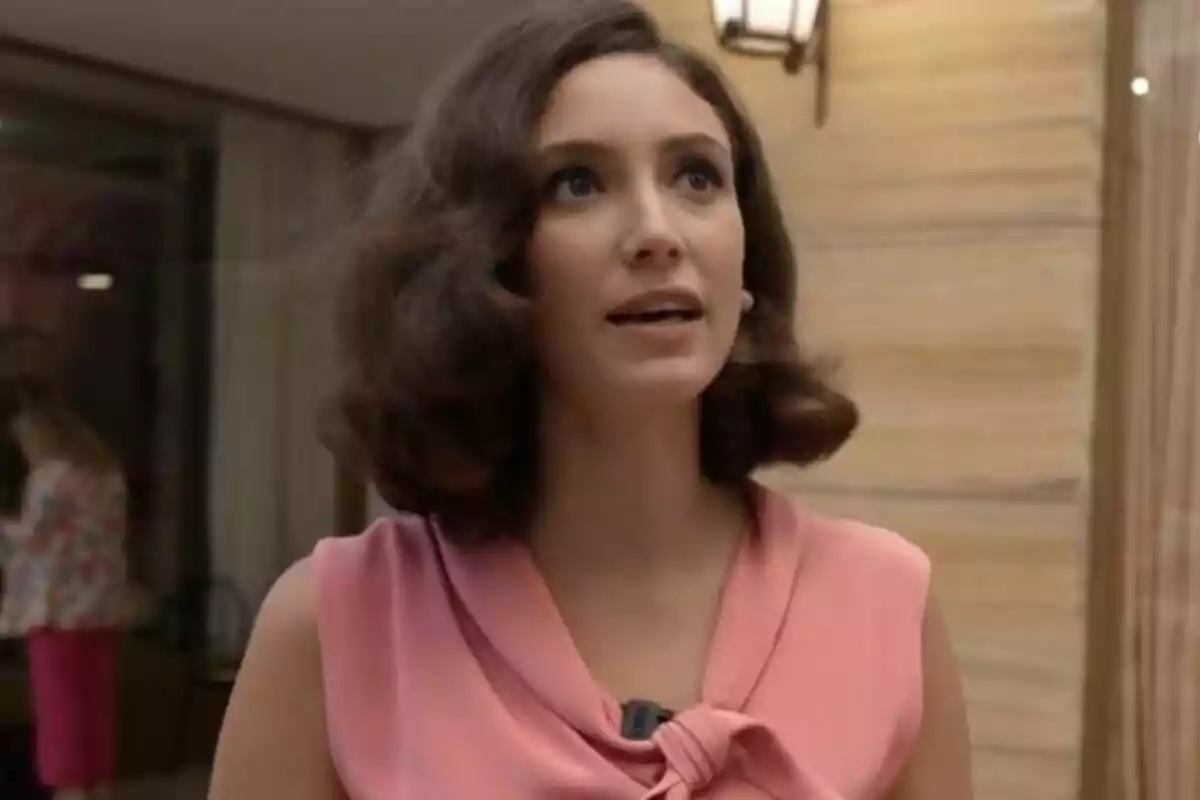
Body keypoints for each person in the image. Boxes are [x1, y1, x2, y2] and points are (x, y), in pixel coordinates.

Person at [209, 1, 973, 797]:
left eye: (696, 176)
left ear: (744, 269)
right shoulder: (334, 626)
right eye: (578, 183)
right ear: (487, 262)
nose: (657, 231)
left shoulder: (886, 604)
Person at [0, 371, 128, 800]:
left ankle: (71, 793)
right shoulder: (107, 475)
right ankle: (98, 790)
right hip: (102, 609)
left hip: (56, 611)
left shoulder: (49, 479)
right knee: (95, 712)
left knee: (60, 717)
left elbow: (30, 541)